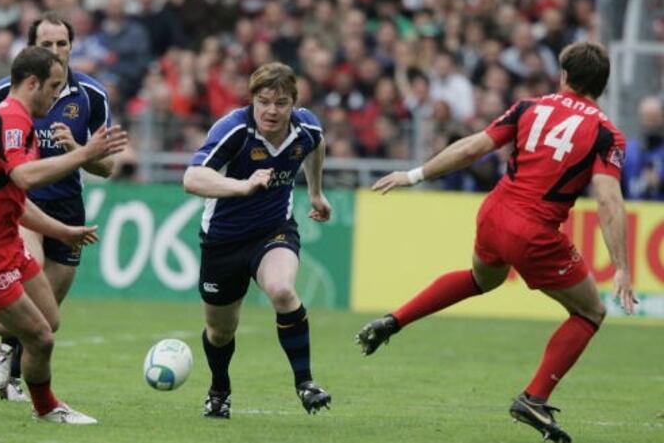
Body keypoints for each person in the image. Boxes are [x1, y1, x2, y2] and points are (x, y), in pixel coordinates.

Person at [355, 41, 637, 443]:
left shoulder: (528, 107)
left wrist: (414, 175)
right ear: (603, 84)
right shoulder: (608, 134)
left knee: (481, 279)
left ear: (564, 76)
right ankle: (534, 398)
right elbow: (608, 200)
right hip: (535, 231)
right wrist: (622, 266)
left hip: (494, 213)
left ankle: (393, 320)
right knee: (590, 311)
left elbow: (473, 147)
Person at [0, 46, 126, 424]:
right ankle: (46, 408)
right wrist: (83, 154)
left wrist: (63, 231)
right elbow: (25, 177)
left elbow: (18, 202)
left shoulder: (22, 119)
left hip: (7, 243)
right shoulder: (12, 119)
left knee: (47, 318)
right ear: (32, 83)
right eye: (53, 87)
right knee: (40, 338)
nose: (57, 96)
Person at [183, 62, 333, 418]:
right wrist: (243, 186)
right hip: (223, 240)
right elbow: (192, 178)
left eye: (281, 103)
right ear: (252, 99)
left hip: (273, 230)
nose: (271, 111)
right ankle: (219, 389)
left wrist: (315, 192)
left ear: (294, 103)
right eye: (264, 101)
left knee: (282, 290)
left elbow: (317, 145)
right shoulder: (234, 129)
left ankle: (305, 382)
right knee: (220, 331)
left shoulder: (307, 127)